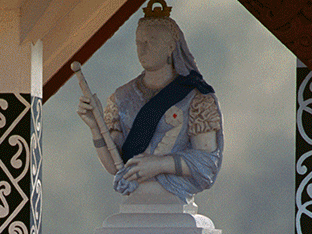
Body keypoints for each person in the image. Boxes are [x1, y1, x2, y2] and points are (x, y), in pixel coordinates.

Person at [77, 0, 222, 204]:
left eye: (152, 41)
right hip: (134, 201)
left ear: (171, 46)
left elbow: (207, 164)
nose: (143, 50)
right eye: (139, 42)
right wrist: (95, 127)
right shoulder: (121, 97)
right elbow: (116, 166)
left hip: (175, 201)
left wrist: (160, 165)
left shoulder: (196, 97)